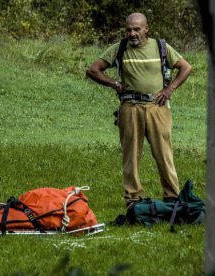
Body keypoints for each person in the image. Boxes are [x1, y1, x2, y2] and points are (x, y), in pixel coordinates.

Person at [86, 12, 192, 207]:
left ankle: (172, 197)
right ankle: (133, 198)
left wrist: (169, 89)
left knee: (164, 153)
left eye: (137, 29)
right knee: (130, 155)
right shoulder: (119, 48)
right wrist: (115, 84)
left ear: (146, 29)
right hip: (130, 107)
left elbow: (185, 67)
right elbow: (93, 70)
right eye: (129, 29)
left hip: (157, 107)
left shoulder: (161, 47)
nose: (132, 33)